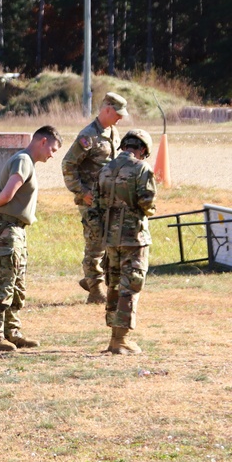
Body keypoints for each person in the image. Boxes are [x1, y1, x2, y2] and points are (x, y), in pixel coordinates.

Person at [0, 125, 62, 352]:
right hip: (6, 229)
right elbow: (9, 193)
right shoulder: (23, 160)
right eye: (52, 149)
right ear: (42, 141)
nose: (52, 155)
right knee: (3, 284)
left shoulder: (27, 162)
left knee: (16, 285)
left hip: (15, 229)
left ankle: (11, 333)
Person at [61, 92, 128, 304]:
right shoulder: (88, 136)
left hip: (109, 200)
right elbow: (68, 165)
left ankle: (92, 279)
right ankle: (95, 291)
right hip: (92, 202)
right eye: (117, 114)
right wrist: (82, 192)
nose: (120, 118)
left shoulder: (113, 132)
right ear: (107, 109)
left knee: (111, 242)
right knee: (96, 244)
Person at [97, 128, 157, 355]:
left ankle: (114, 337)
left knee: (113, 285)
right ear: (142, 149)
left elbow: (95, 205)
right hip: (134, 237)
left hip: (110, 238)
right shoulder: (142, 168)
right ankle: (120, 339)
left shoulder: (105, 169)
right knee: (130, 286)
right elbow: (147, 202)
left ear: (124, 145)